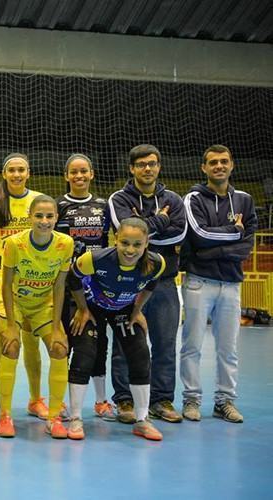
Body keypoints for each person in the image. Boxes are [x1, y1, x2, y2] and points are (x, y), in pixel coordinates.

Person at [108, 144, 187, 424]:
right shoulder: (118, 197)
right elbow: (125, 233)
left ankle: (161, 400)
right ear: (132, 168)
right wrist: (162, 220)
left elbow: (177, 236)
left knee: (165, 343)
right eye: (141, 164)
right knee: (124, 343)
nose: (147, 169)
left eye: (152, 163)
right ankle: (125, 401)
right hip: (127, 283)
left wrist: (145, 228)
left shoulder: (175, 199)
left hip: (164, 283)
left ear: (159, 166)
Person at [68, 218, 165, 441]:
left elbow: (151, 285)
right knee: (85, 355)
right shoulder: (95, 259)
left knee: (140, 353)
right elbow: (73, 279)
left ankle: (142, 420)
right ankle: (75, 418)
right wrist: (82, 309)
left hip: (122, 308)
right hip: (90, 306)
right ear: (115, 240)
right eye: (124, 243)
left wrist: (137, 309)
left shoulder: (156, 263)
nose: (130, 250)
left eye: (137, 244)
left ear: (146, 243)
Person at [180, 145, 258, 423]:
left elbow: (247, 243)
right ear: (204, 168)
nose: (219, 166)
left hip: (231, 284)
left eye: (224, 161)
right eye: (213, 162)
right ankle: (191, 400)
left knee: (229, 348)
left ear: (232, 165)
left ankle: (224, 401)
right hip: (199, 282)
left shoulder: (245, 201)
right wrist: (232, 233)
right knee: (192, 345)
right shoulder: (192, 199)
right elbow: (198, 236)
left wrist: (217, 247)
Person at [0, 152, 52, 421]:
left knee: (31, 343)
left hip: (32, 280)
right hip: (2, 280)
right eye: (12, 170)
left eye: (21, 170)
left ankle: (36, 399)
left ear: (29, 173)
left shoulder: (37, 200)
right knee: (4, 343)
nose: (17, 174)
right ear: (4, 174)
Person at [0, 195, 73, 438]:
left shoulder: (65, 244)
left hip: (44, 305)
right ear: (30, 217)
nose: (44, 221)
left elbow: (59, 286)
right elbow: (6, 284)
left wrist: (56, 326)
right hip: (16, 302)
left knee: (60, 347)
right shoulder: (13, 243)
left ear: (56, 218)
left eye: (49, 216)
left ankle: (53, 418)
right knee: (10, 346)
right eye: (39, 216)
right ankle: (5, 415)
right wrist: (11, 325)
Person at [54, 154, 114, 421]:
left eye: (83, 171)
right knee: (67, 343)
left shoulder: (104, 205)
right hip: (68, 284)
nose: (78, 176)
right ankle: (62, 403)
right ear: (66, 176)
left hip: (97, 287)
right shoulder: (59, 205)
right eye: (73, 172)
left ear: (92, 174)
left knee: (99, 343)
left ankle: (101, 401)